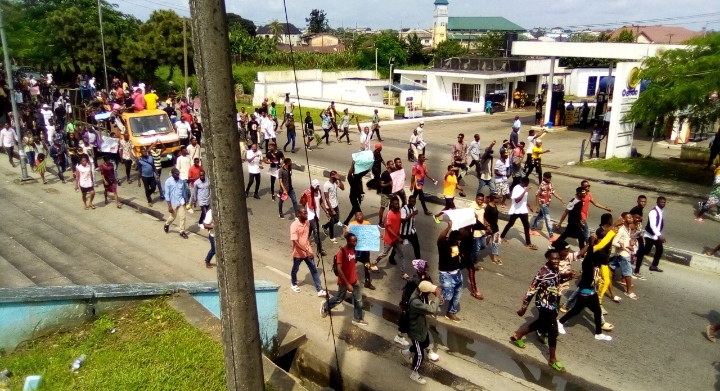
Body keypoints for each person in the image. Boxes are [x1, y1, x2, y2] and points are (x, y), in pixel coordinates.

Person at [510, 249, 576, 372]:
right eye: (553, 258)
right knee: (553, 331)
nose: (556, 261)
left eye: (558, 258)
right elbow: (531, 291)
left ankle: (517, 335)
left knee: (541, 323)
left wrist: (567, 277)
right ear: (548, 259)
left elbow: (556, 280)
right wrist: (523, 308)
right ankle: (552, 360)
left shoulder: (555, 269)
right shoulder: (542, 274)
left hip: (553, 303)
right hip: (545, 304)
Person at [556, 235, 613, 342]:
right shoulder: (588, 265)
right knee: (576, 311)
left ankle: (598, 333)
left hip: (592, 292)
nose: (605, 262)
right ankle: (560, 322)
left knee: (596, 310)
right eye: (604, 260)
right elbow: (589, 257)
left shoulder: (596, 265)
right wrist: (590, 244)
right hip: (585, 294)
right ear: (598, 260)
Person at [321, 232, 368, 326]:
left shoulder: (353, 250)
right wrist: (347, 284)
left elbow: (352, 263)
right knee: (339, 298)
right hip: (344, 281)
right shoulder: (341, 252)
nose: (355, 243)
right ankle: (326, 306)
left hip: (354, 279)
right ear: (348, 241)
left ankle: (357, 318)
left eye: (356, 241)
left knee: (358, 299)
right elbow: (339, 269)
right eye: (353, 241)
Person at [400, 280, 441, 385]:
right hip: (416, 332)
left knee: (425, 343)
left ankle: (406, 352)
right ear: (424, 292)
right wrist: (437, 297)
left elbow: (428, 304)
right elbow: (431, 309)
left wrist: (436, 298)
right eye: (429, 292)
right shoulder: (415, 302)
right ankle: (414, 373)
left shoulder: (418, 292)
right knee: (420, 354)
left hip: (421, 328)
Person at [290, 207, 326, 296]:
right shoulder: (294, 225)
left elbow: (307, 236)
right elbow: (295, 241)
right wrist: (306, 250)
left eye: (306, 213)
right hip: (298, 252)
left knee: (313, 270)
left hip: (308, 250)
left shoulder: (307, 223)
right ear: (298, 215)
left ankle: (319, 289)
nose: (306, 214)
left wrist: (309, 247)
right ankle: (294, 284)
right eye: (304, 213)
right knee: (295, 269)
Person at [499, 177, 537, 250]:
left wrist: (529, 206)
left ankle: (528, 243)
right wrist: (525, 191)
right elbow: (517, 200)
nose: (527, 185)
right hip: (516, 210)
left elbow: (524, 200)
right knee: (510, 223)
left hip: (523, 210)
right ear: (522, 182)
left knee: (526, 226)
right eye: (526, 184)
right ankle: (501, 236)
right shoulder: (517, 188)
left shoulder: (524, 188)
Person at [437, 220, 464, 322]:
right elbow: (440, 238)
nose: (458, 242)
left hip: (456, 273)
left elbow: (455, 256)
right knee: (447, 295)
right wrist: (448, 228)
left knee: (457, 294)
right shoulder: (443, 244)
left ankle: (451, 312)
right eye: (457, 240)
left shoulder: (455, 245)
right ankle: (436, 298)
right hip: (446, 274)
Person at [374, 197, 406, 278]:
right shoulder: (389, 214)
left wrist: (399, 236)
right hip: (389, 239)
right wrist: (398, 237)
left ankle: (402, 273)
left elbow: (398, 225)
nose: (397, 205)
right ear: (391, 204)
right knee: (384, 253)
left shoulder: (399, 213)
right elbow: (388, 228)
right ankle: (373, 263)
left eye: (398, 203)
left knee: (401, 255)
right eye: (395, 203)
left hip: (396, 239)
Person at [611, 212, 638, 299]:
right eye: (629, 218)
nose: (631, 219)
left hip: (622, 253)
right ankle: (629, 291)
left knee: (612, 267)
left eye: (631, 218)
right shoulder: (621, 230)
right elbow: (614, 242)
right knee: (628, 272)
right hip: (623, 254)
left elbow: (627, 238)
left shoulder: (628, 228)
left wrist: (631, 242)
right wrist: (623, 246)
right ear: (624, 220)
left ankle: (604, 280)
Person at [346, 210, 375, 290]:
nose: (359, 216)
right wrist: (347, 233)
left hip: (365, 249)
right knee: (351, 265)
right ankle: (349, 281)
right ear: (355, 217)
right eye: (357, 215)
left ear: (363, 215)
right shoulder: (352, 224)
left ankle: (367, 281)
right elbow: (346, 234)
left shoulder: (367, 223)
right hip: (355, 249)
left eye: (360, 215)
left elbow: (372, 233)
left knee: (367, 264)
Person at [531, 172, 563, 239]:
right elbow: (537, 194)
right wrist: (537, 206)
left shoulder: (550, 183)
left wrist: (560, 199)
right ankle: (551, 235)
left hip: (547, 203)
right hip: (543, 204)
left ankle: (533, 229)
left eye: (550, 177)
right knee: (547, 219)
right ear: (544, 177)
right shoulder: (542, 185)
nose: (549, 179)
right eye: (548, 177)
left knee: (540, 216)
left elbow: (553, 192)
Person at [638, 197, 666, 273]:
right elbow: (652, 225)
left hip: (655, 236)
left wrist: (659, 234)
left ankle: (654, 266)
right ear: (657, 202)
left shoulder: (661, 210)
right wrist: (659, 235)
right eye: (661, 202)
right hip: (650, 235)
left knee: (660, 249)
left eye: (664, 202)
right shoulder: (653, 212)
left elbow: (658, 223)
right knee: (646, 251)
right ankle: (634, 255)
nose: (663, 204)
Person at [468, 194, 487, 300]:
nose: (480, 201)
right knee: (477, 249)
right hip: (475, 232)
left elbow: (483, 217)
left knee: (483, 245)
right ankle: (474, 262)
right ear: (476, 199)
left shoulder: (483, 206)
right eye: (478, 199)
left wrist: (485, 224)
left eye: (481, 200)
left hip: (482, 231)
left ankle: (472, 254)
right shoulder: (472, 207)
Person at [164, 168, 189, 239]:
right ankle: (167, 224)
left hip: (181, 202)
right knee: (172, 217)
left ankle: (182, 231)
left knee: (183, 217)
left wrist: (185, 201)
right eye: (176, 174)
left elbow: (183, 192)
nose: (178, 175)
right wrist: (169, 206)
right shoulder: (168, 182)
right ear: (172, 174)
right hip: (173, 203)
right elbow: (167, 194)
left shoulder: (181, 181)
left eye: (178, 174)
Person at [321, 171, 345, 244]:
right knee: (332, 222)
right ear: (332, 176)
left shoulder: (336, 182)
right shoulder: (326, 185)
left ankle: (325, 226)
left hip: (335, 204)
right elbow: (327, 198)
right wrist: (331, 209)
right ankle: (332, 237)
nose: (337, 177)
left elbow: (343, 188)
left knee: (336, 220)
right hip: (329, 206)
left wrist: (340, 180)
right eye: (336, 176)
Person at [342, 161, 368, 226]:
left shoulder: (359, 178)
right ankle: (357, 224)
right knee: (358, 211)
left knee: (354, 210)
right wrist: (352, 165)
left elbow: (366, 171)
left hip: (358, 196)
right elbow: (349, 174)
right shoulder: (352, 179)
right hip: (353, 197)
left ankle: (346, 222)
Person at [629, 195, 648, 279]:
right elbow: (631, 222)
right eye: (641, 201)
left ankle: (636, 270)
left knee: (640, 252)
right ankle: (635, 271)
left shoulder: (640, 209)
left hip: (638, 232)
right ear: (637, 201)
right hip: (634, 233)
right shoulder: (635, 210)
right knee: (638, 252)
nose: (643, 203)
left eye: (644, 202)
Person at [400, 195, 421, 260]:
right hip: (403, 232)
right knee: (398, 246)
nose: (413, 203)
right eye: (411, 201)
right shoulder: (404, 209)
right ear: (408, 201)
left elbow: (412, 218)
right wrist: (412, 214)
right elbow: (403, 221)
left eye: (414, 201)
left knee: (416, 246)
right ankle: (391, 258)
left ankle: (419, 261)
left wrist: (413, 216)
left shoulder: (413, 207)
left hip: (411, 231)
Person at [378, 160, 395, 227]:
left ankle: (389, 221)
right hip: (385, 194)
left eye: (393, 164)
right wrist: (388, 184)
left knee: (392, 208)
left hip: (393, 193)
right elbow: (381, 185)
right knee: (383, 207)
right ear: (387, 166)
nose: (393, 165)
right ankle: (380, 222)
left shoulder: (394, 172)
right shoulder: (384, 174)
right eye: (391, 164)